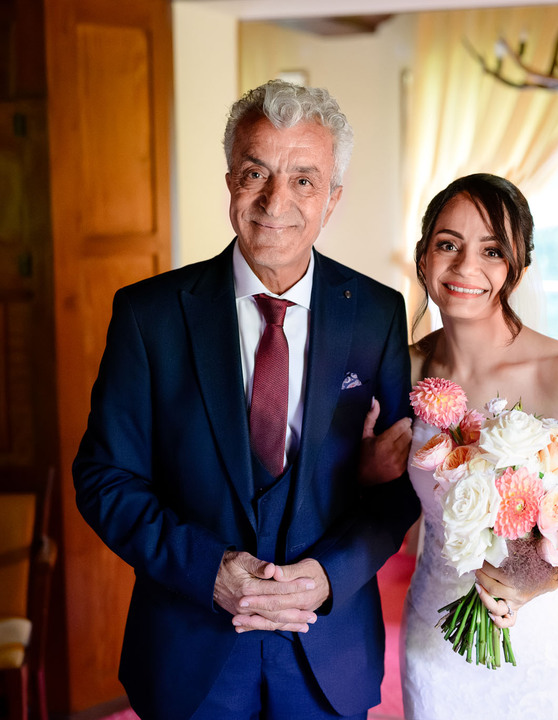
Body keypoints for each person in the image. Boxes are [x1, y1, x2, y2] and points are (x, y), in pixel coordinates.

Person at [72, 79, 419, 720]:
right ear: (231, 180)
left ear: (333, 199)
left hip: (327, 658)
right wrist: (209, 570)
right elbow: (104, 478)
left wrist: (331, 576)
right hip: (188, 654)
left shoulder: (377, 314)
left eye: (304, 180)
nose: (275, 201)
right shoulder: (148, 315)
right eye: (256, 172)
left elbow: (400, 485)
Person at [398, 174, 558, 718]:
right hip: (437, 635)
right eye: (448, 244)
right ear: (424, 256)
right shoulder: (403, 370)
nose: (466, 267)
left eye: (492, 251)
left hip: (548, 641)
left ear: (516, 267)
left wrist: (531, 584)